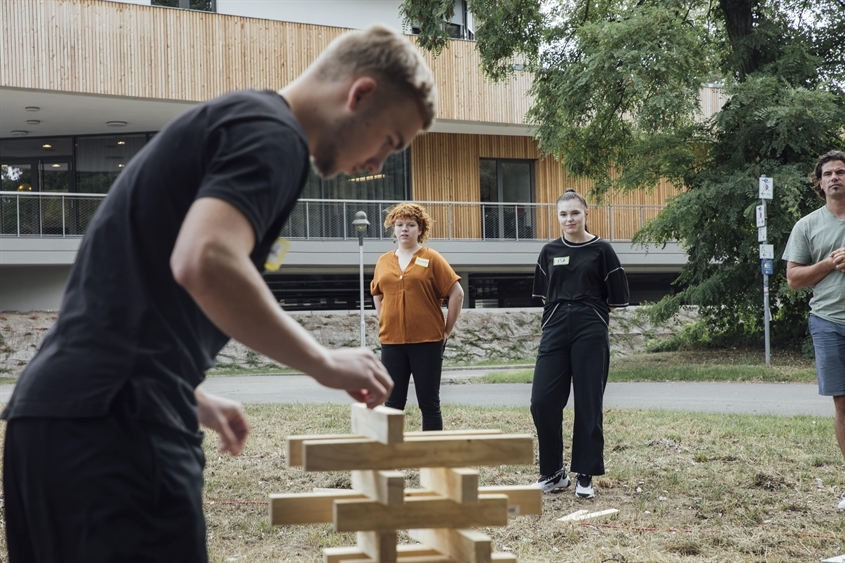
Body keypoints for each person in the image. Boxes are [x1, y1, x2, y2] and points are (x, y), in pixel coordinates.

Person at [2, 24, 437, 562]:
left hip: (49, 420)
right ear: (361, 93)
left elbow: (121, 298)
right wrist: (323, 361)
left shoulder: (232, 122)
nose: (377, 164)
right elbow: (204, 260)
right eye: (389, 142)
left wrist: (191, 394)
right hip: (119, 431)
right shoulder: (274, 135)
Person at [529, 189, 629, 498]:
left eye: (574, 212)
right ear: (557, 217)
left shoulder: (602, 250)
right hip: (555, 328)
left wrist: (589, 313)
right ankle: (553, 473)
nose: (569, 218)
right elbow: (545, 296)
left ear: (586, 213)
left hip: (590, 329)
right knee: (542, 402)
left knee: (588, 403)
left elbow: (616, 298)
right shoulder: (548, 252)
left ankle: (585, 474)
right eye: (563, 214)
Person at [783, 150, 845, 510]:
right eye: (829, 174)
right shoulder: (807, 226)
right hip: (828, 323)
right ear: (819, 183)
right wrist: (827, 264)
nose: (835, 177)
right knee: (842, 404)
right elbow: (793, 279)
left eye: (841, 171)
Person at [370, 203, 463, 431]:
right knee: (392, 403)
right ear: (393, 228)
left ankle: (432, 458)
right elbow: (378, 294)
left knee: (429, 403)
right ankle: (390, 456)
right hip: (391, 344)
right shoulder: (383, 261)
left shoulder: (432, 258)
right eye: (399, 224)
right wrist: (384, 320)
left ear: (420, 229)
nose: (404, 229)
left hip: (427, 343)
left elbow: (457, 294)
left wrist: (446, 331)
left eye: (411, 225)